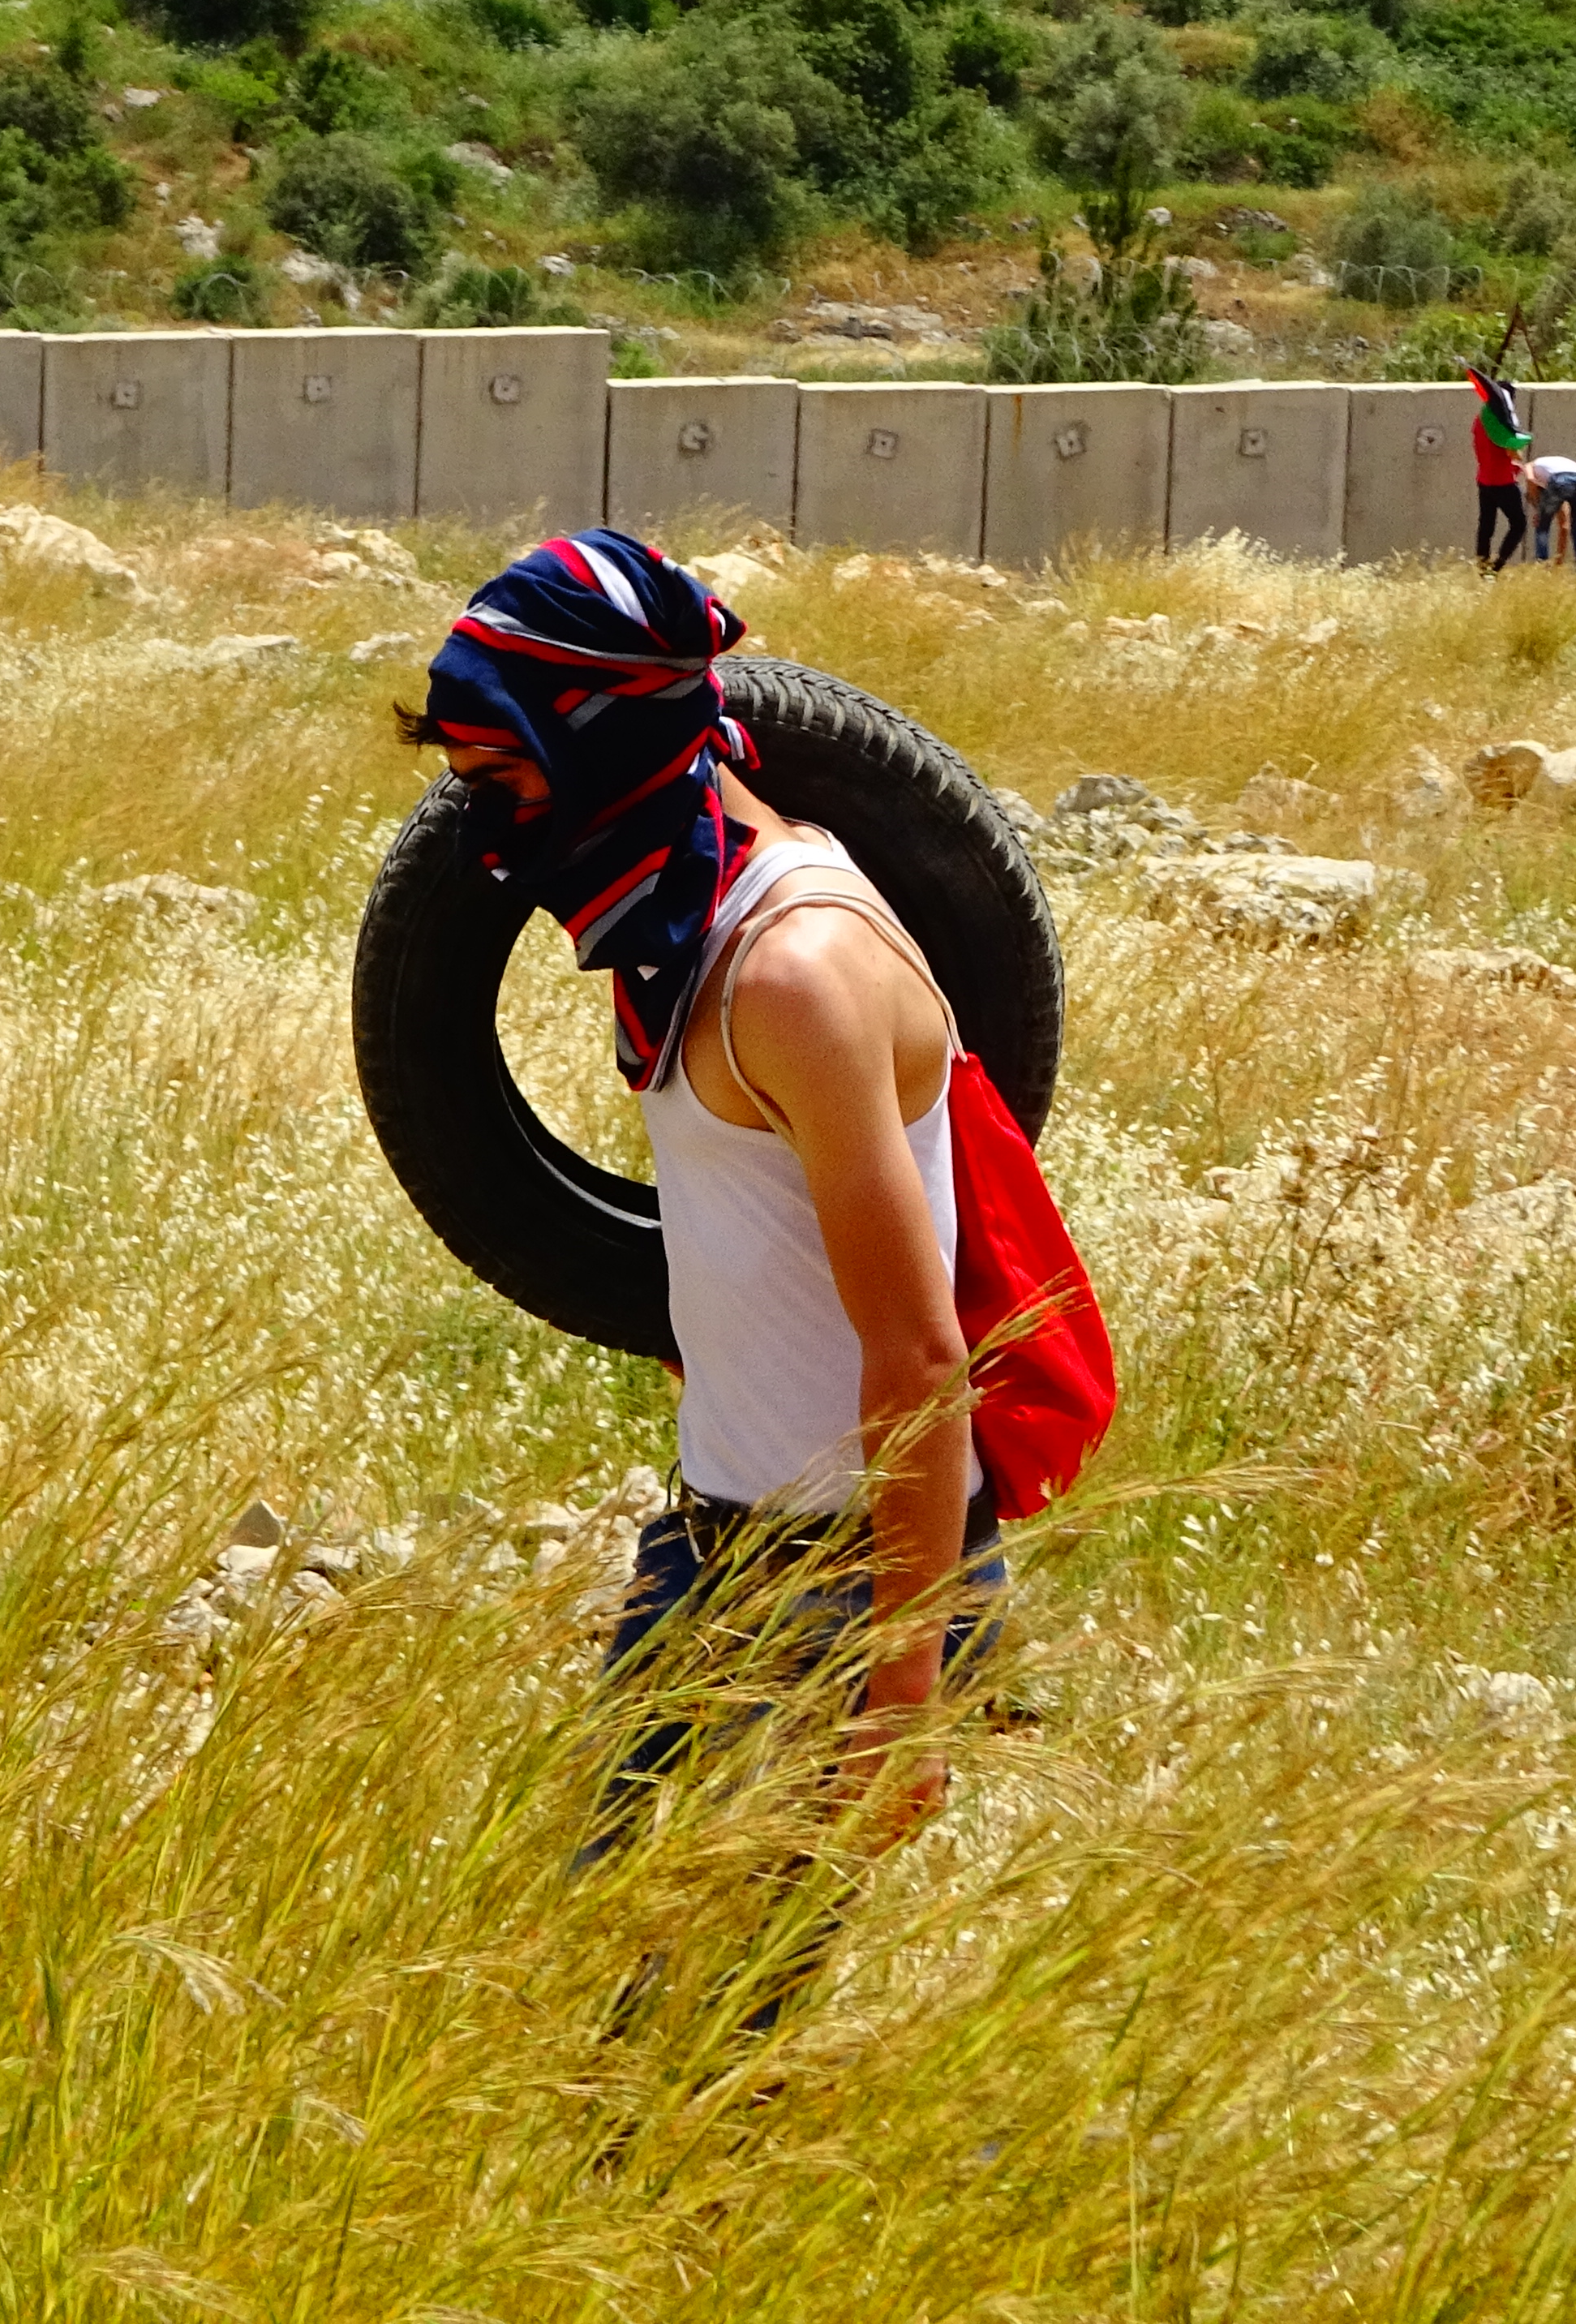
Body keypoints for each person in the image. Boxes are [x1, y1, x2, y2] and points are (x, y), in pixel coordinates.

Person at [409, 531, 1003, 2042]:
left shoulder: (791, 971)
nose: (489, 827)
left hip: (829, 1580)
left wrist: (900, 1689)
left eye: (509, 777)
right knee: (602, 1952)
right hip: (709, 1541)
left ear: (601, 737)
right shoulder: (679, 915)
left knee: (706, 2023)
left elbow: (919, 1354)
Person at [1466, 363, 1531, 573]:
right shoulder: (1501, 423)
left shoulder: (1480, 419)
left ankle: (1482, 568)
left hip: (1484, 479)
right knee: (1519, 524)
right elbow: (1511, 451)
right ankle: (1497, 567)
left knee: (1486, 527)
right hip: (1503, 481)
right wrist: (1519, 457)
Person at [1522, 449, 1576, 570]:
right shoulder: (1554, 491)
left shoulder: (1532, 465)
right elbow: (1565, 526)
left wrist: (1539, 513)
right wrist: (1559, 561)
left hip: (1560, 479)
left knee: (1542, 528)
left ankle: (1541, 565)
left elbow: (1530, 480)